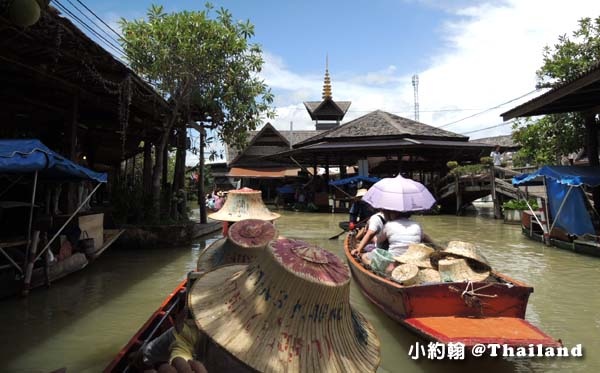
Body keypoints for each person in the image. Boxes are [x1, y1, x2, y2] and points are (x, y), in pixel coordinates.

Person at [351, 209, 431, 274]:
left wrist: (358, 249)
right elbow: (424, 238)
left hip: (394, 260)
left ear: (394, 213)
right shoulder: (417, 225)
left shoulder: (388, 225)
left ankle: (375, 272)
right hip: (414, 260)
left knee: (364, 256)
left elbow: (379, 241)